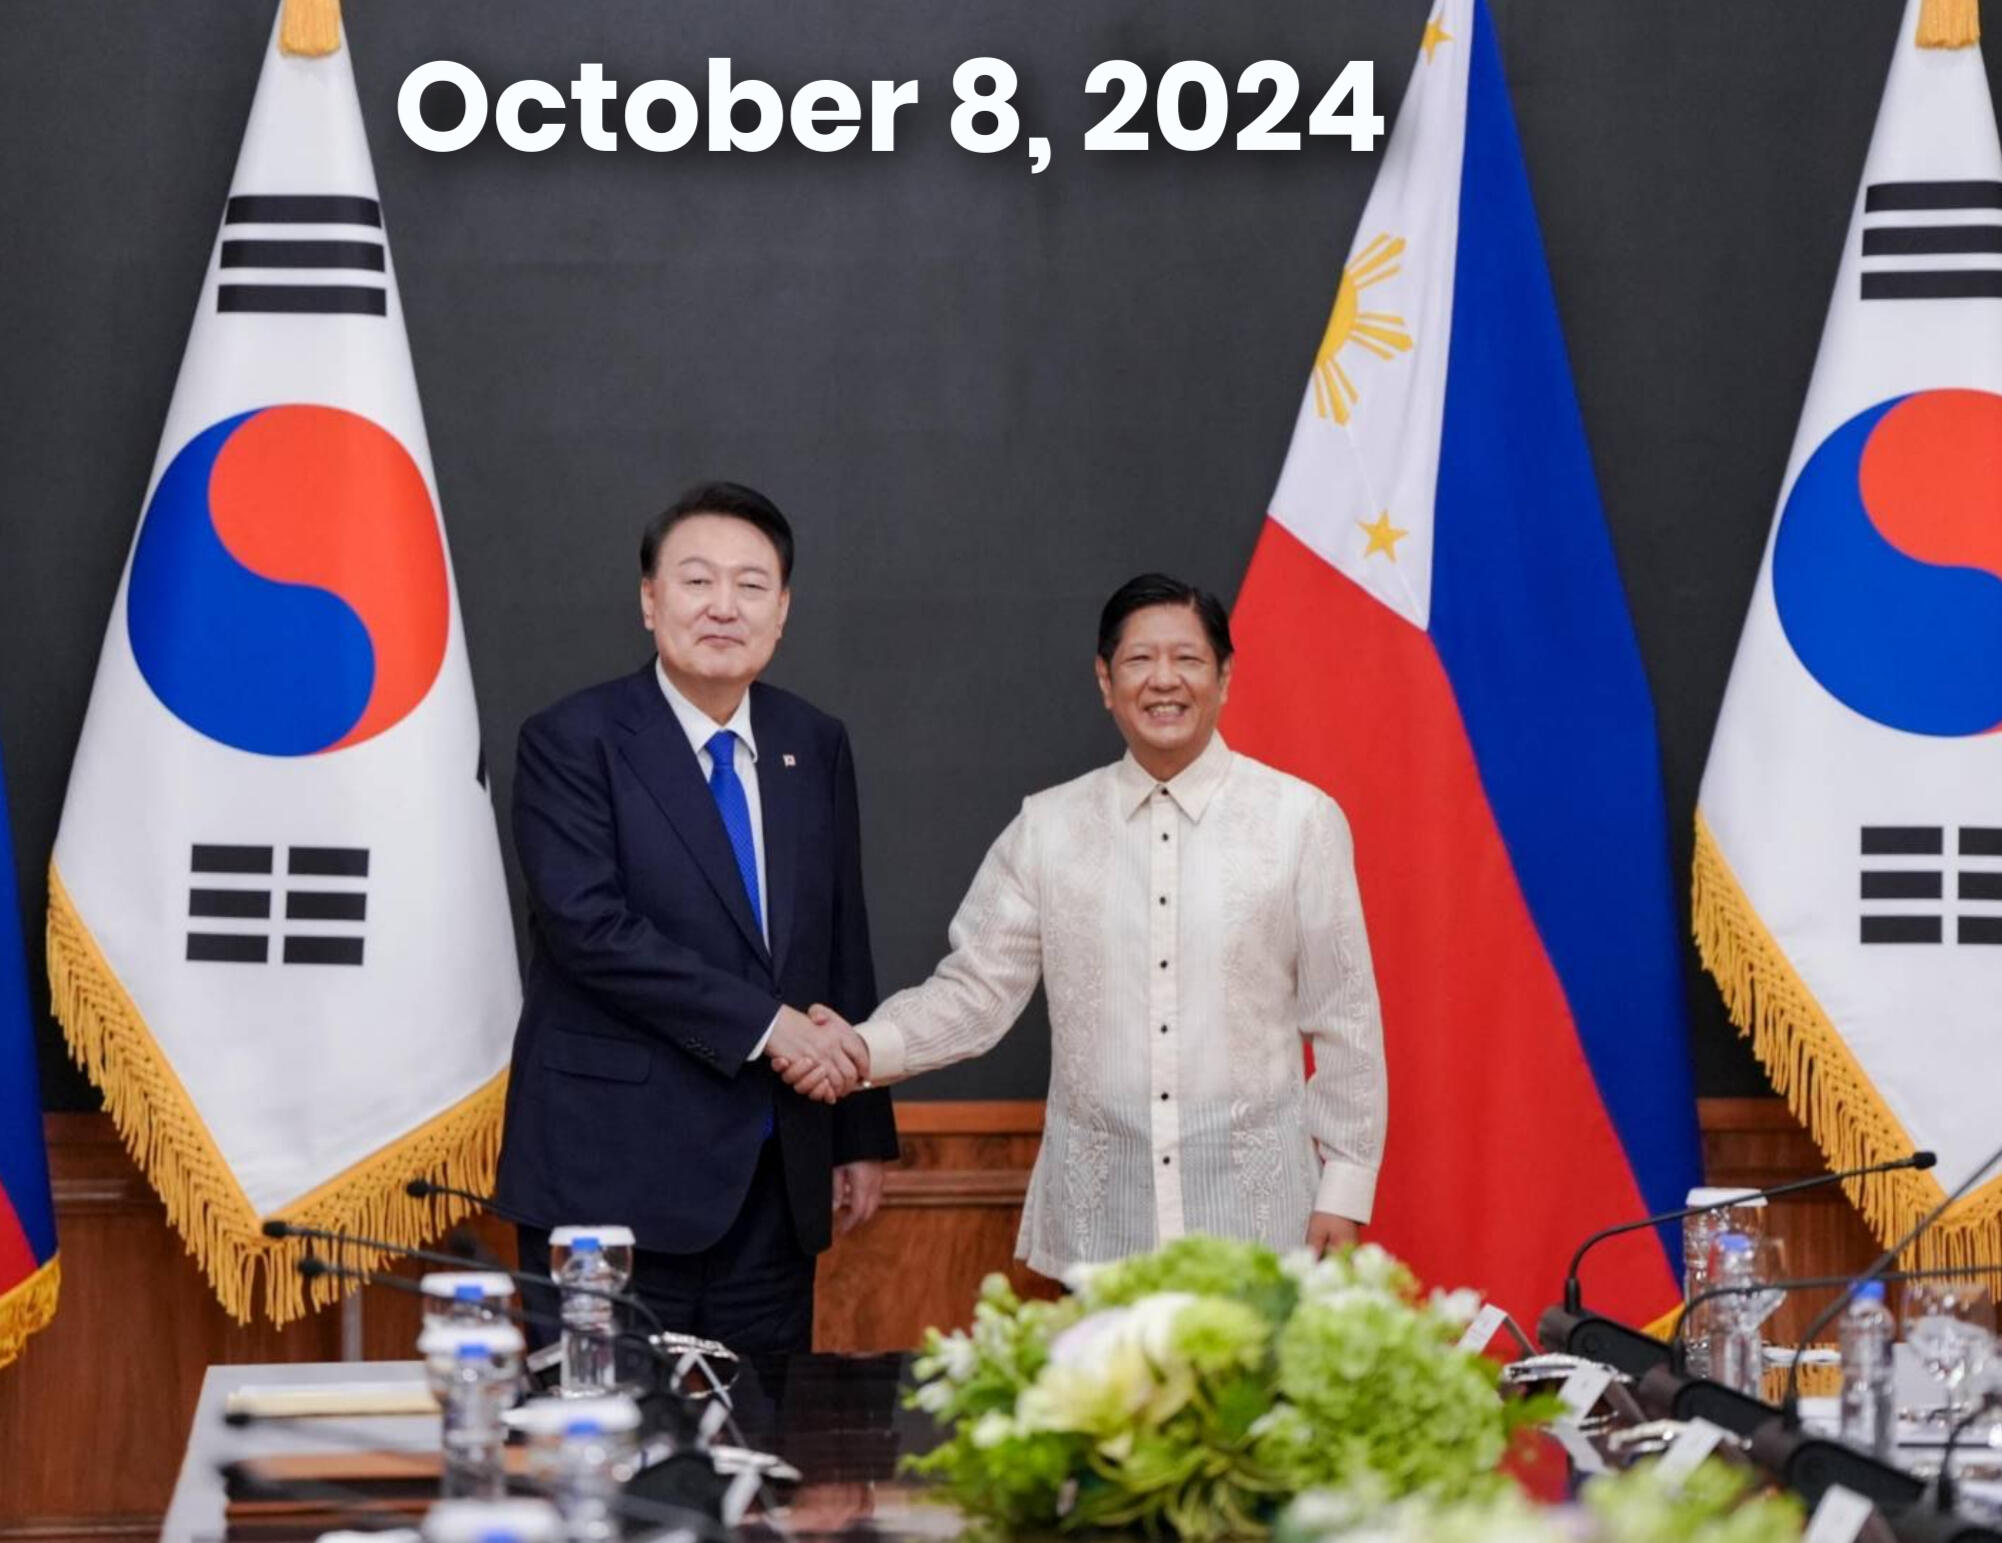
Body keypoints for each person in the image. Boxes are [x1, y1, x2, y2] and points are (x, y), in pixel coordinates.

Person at [781, 574, 1384, 1277]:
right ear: (1105, 680)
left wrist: (1344, 1188)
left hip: (1261, 1224)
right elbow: (975, 993)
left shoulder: (1299, 821)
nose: (1164, 680)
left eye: (1187, 659)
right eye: (1139, 660)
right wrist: (859, 1047)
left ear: (1223, 676)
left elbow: (1344, 1017)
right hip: (1103, 1233)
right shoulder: (1049, 827)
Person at [495, 481, 894, 1356]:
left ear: (782, 610)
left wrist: (857, 1131)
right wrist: (771, 1025)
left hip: (774, 1181)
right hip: (609, 1182)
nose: (724, 606)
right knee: (609, 1431)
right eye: (697, 580)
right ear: (649, 600)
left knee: (764, 1429)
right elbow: (590, 930)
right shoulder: (573, 739)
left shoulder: (812, 741)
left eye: (751, 585)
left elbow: (841, 937)